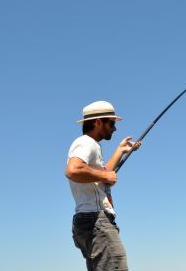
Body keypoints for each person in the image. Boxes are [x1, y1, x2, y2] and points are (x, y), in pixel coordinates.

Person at [65, 100, 141, 271]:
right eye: (112, 123)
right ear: (98, 122)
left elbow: (103, 175)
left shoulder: (91, 146)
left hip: (88, 221)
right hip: (96, 220)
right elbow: (73, 170)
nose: (115, 128)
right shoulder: (86, 143)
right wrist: (105, 174)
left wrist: (121, 150)